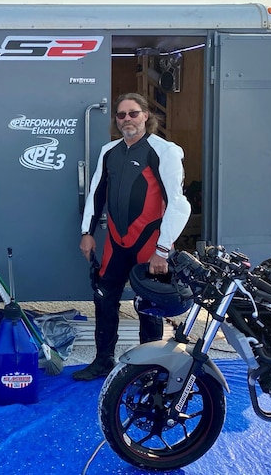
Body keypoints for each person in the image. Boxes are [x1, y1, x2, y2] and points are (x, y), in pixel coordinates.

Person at [74, 92, 191, 381]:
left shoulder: (164, 150)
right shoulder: (109, 151)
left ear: (146, 116)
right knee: (103, 298)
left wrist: (163, 250)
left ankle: (149, 369)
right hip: (116, 242)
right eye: (122, 114)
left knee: (149, 306)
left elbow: (178, 203)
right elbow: (96, 194)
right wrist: (87, 233)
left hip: (150, 244)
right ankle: (103, 361)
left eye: (133, 113)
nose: (127, 119)